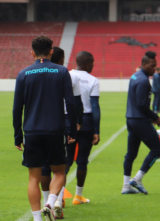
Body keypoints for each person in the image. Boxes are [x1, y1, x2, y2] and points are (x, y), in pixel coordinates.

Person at [13, 36, 78, 221]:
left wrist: (18, 136)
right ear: (51, 51)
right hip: (55, 130)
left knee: (33, 178)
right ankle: (50, 202)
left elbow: (17, 108)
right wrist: (72, 130)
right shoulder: (61, 71)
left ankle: (37, 218)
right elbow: (70, 103)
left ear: (32, 52)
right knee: (59, 171)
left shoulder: (23, 74)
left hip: (32, 131)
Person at [40, 47, 83, 219]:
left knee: (44, 166)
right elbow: (76, 103)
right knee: (61, 166)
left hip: (41, 121)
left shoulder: (37, 73)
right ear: (62, 58)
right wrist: (75, 125)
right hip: (63, 121)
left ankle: (46, 203)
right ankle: (57, 202)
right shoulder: (69, 74)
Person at [122, 51, 160, 195]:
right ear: (144, 64)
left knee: (131, 153)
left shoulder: (135, 76)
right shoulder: (143, 81)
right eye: (152, 66)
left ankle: (125, 186)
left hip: (130, 119)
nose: (154, 69)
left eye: (156, 66)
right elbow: (141, 104)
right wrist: (155, 117)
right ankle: (137, 179)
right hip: (140, 120)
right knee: (157, 150)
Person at [66, 51, 101, 206]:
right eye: (92, 62)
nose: (93, 65)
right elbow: (95, 106)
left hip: (68, 120)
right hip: (86, 121)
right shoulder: (93, 80)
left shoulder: (66, 75)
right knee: (82, 161)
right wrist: (97, 130)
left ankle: (59, 196)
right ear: (86, 63)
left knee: (65, 161)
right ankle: (78, 196)